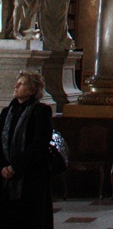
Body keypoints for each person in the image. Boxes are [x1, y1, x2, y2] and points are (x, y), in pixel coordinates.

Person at [0, 69, 54, 228]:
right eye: (17, 83)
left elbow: (39, 144)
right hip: (6, 178)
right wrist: (3, 166)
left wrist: (16, 167)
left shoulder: (41, 112)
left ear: (32, 90)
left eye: (21, 83)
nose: (16, 86)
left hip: (31, 177)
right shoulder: (6, 112)